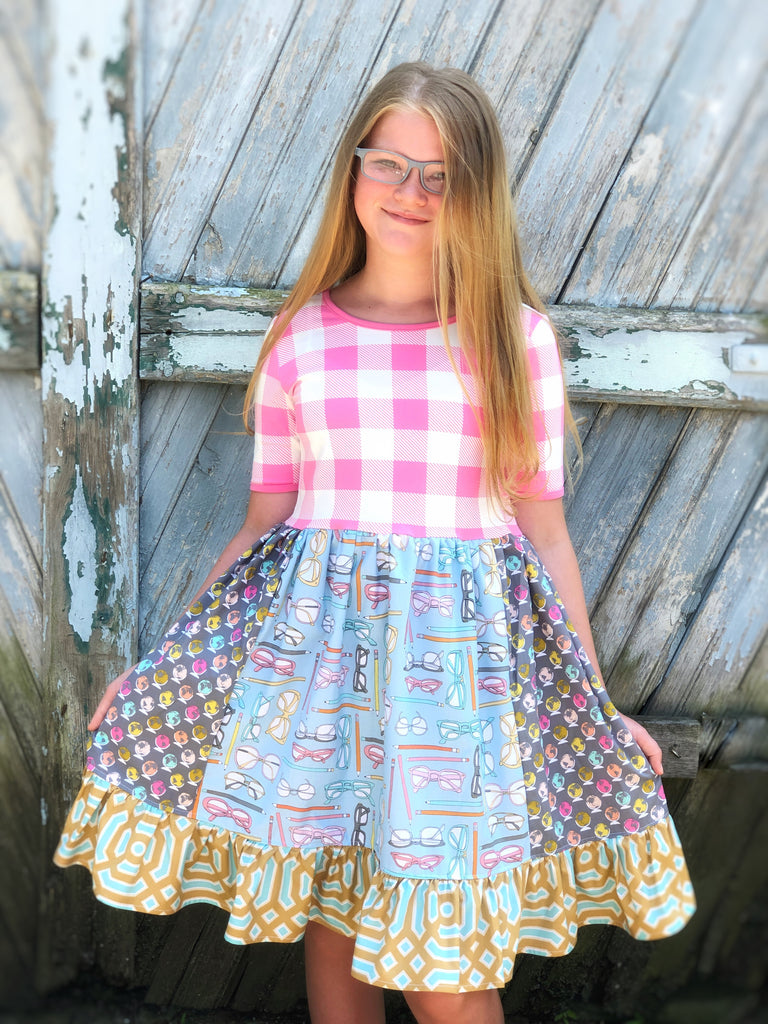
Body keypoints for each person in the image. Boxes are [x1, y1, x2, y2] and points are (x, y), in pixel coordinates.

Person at [55, 62, 695, 1024]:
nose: (410, 191)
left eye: (441, 175)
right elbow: (263, 531)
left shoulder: (513, 339)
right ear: (354, 169)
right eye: (389, 163)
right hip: (323, 685)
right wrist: (164, 673)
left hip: (458, 696)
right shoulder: (301, 339)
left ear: (476, 194)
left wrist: (593, 706)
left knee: (449, 974)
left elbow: (545, 537)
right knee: (337, 923)